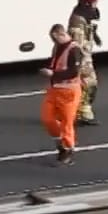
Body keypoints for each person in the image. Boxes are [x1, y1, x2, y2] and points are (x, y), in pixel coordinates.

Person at [41, 24, 84, 165]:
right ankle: (60, 144)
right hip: (54, 89)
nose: (54, 42)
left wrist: (54, 74)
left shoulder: (74, 50)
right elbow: (55, 62)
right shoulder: (58, 47)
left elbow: (73, 72)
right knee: (47, 118)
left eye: (55, 38)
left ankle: (67, 149)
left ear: (60, 34)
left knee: (67, 122)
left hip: (69, 91)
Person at [69, 0, 104, 125]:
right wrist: (79, 62)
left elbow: (90, 29)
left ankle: (81, 110)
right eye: (95, 1)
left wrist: (95, 36)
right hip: (82, 57)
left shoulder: (86, 14)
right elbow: (77, 43)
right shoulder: (78, 20)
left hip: (86, 54)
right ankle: (82, 112)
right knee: (90, 82)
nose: (97, 4)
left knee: (85, 84)